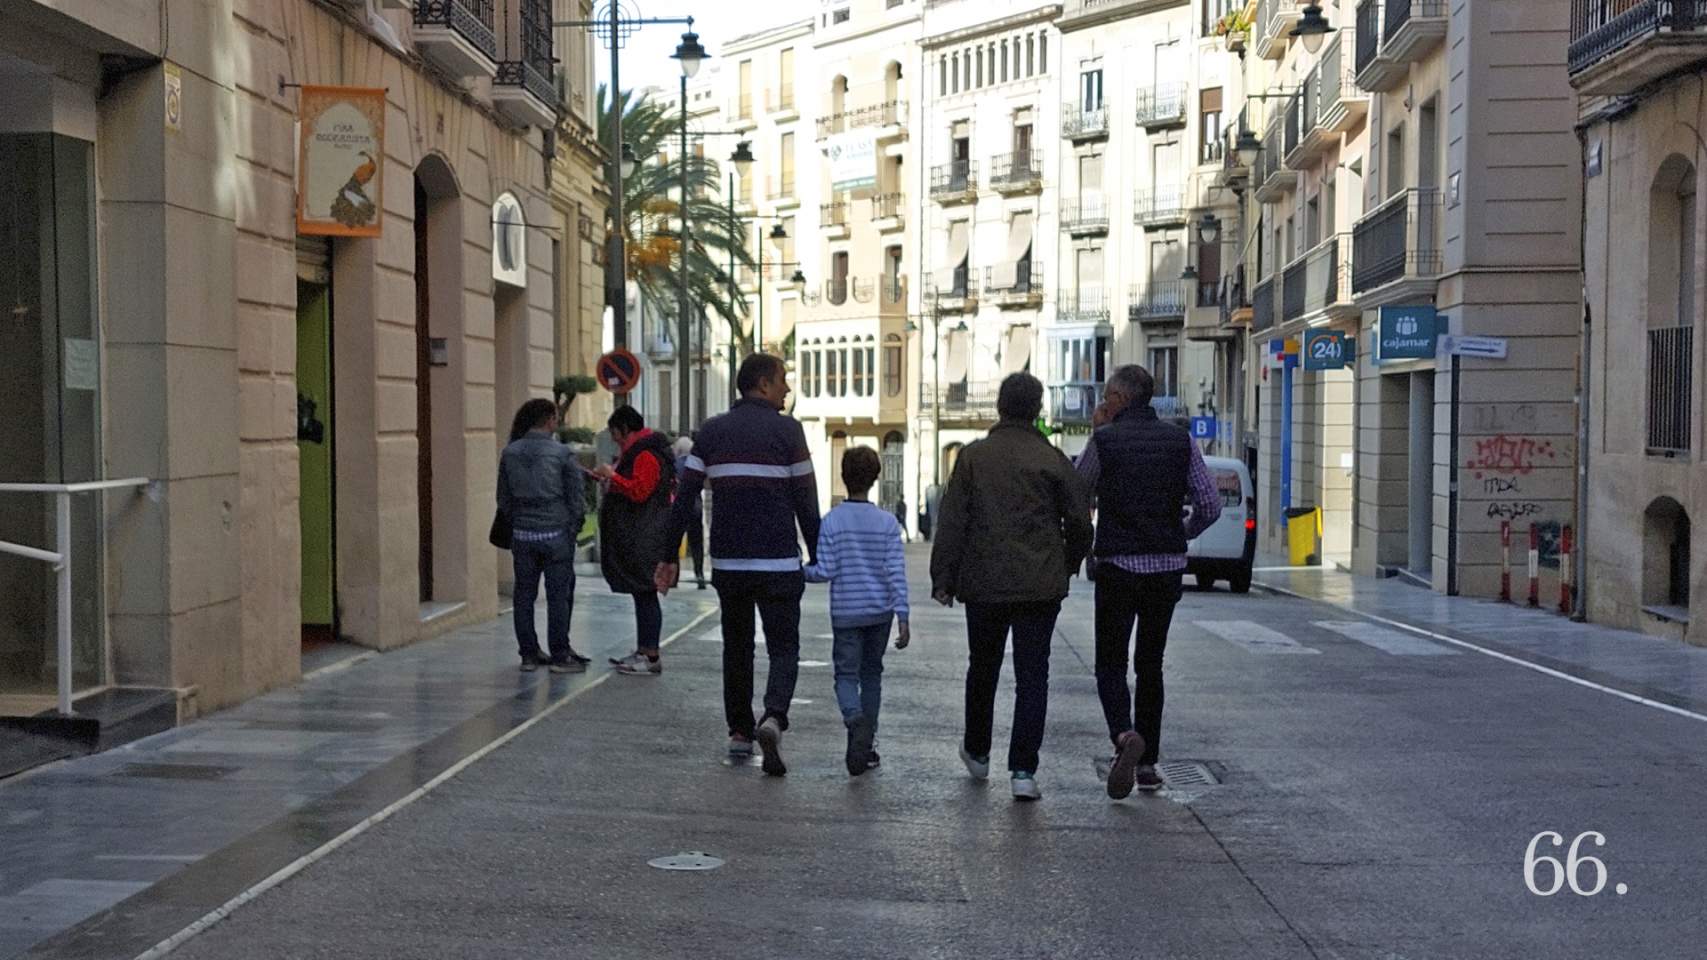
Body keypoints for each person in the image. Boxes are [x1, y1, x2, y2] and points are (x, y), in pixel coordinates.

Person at [930, 373, 1093, 802]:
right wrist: (1068, 564)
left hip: (983, 585)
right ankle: (1023, 770)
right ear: (1037, 409)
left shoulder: (972, 458)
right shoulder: (1053, 460)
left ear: (1000, 407)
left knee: (981, 669)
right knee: (1032, 675)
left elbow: (952, 521)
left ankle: (978, 752)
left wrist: (942, 577)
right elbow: (1079, 522)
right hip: (1039, 586)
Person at [656, 354, 820, 776]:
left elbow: (684, 498)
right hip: (779, 562)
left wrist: (667, 555)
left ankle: (741, 732)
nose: (786, 389)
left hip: (729, 563)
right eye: (782, 380)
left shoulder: (711, 432)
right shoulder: (789, 431)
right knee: (784, 645)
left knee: (738, 645)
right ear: (763, 384)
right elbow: (805, 498)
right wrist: (821, 553)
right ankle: (774, 716)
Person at [1078, 364, 1223, 799]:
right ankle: (1146, 765)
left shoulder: (1104, 440)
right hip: (1165, 567)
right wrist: (1184, 532)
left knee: (1110, 662)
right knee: (1150, 664)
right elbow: (1211, 503)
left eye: (1108, 396)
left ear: (1120, 399)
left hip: (1119, 565)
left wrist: (1085, 539)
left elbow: (1077, 490)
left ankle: (1124, 736)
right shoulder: (1181, 440)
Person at [804, 447, 910, 777]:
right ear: (876, 478)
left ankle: (854, 720)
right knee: (872, 675)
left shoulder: (832, 521)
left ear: (843, 476)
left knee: (846, 675)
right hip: (880, 613)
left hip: (846, 613)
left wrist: (798, 570)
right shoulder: (888, 523)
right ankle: (868, 742)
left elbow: (825, 570)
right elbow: (895, 571)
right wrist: (902, 616)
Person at [497, 399, 589, 673]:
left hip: (523, 534)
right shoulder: (561, 453)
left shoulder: (510, 452)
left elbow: (503, 497)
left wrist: (517, 523)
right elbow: (576, 497)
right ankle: (560, 653)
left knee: (523, 594)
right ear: (549, 420)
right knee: (558, 595)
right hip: (555, 534)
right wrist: (572, 528)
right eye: (556, 418)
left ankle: (528, 654)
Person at [594, 406, 677, 677]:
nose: (616, 441)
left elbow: (640, 490)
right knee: (642, 594)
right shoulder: (643, 450)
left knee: (645, 593)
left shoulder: (644, 454)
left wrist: (613, 477)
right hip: (643, 533)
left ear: (623, 430)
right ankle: (644, 650)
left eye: (616, 435)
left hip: (645, 535)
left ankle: (650, 654)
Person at [673, 433, 708, 589]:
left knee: (675, 541)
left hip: (680, 507)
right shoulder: (698, 464)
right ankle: (699, 573)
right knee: (697, 543)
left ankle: (674, 578)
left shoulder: (675, 465)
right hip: (696, 508)